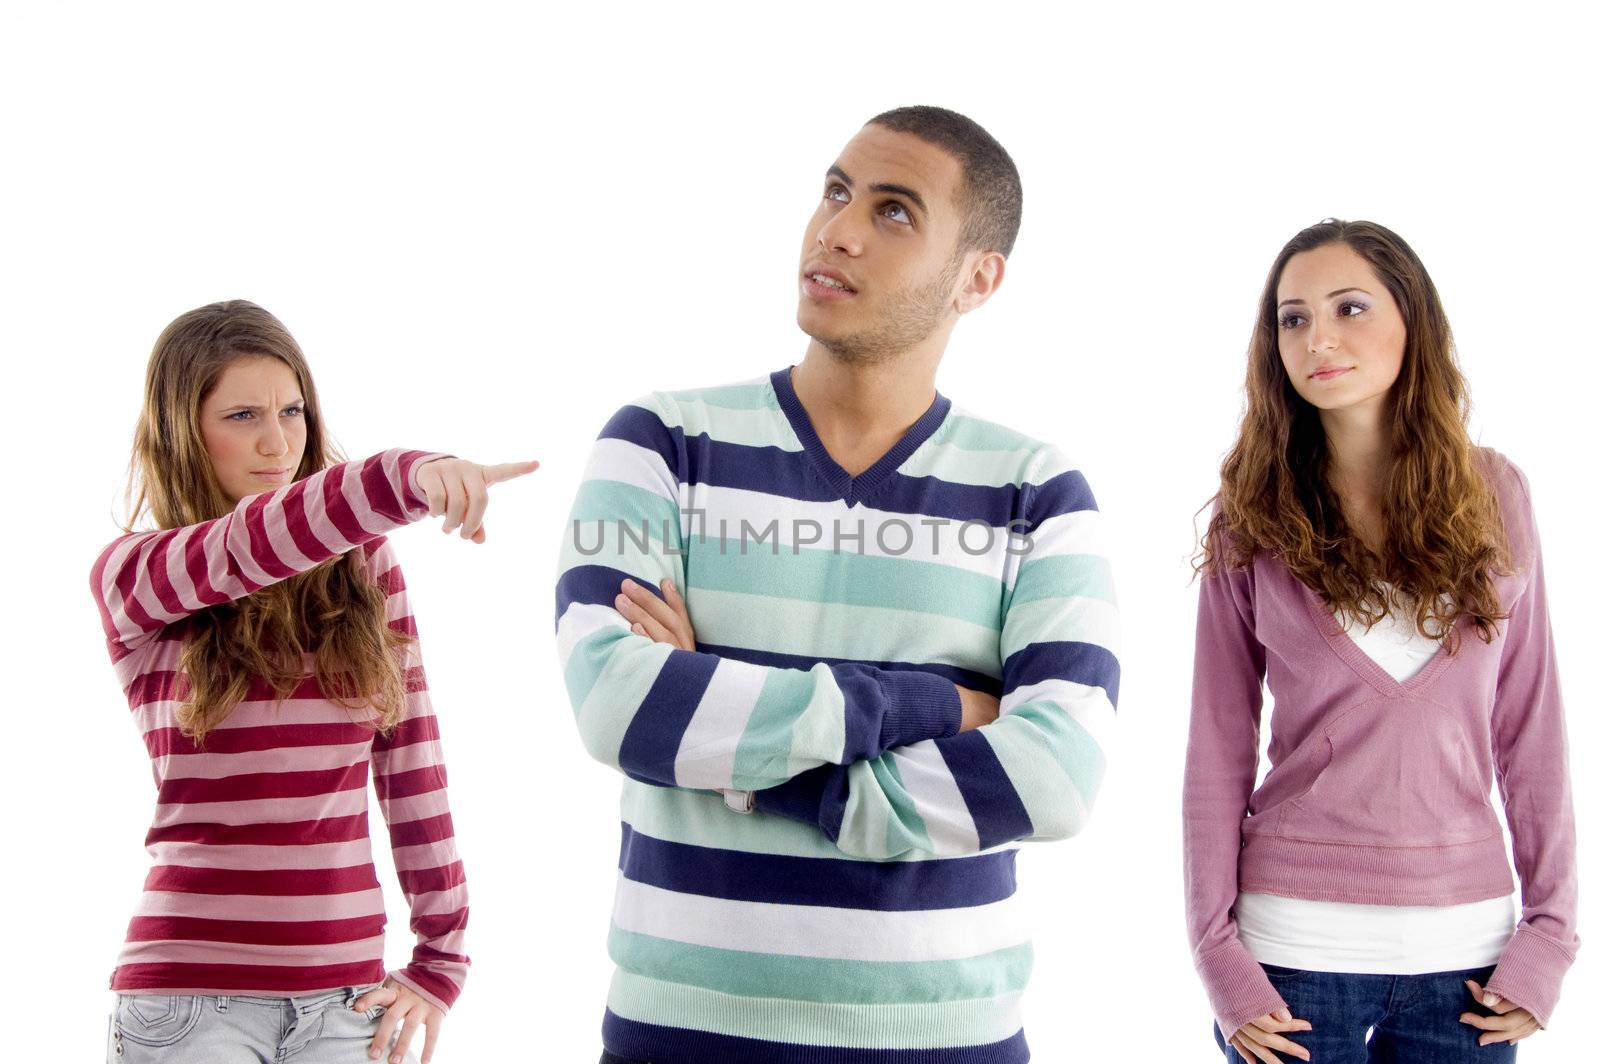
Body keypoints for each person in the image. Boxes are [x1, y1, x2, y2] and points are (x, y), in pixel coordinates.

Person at [554, 106, 1120, 1063]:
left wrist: (734, 753)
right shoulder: (660, 441)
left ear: (976, 278)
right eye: (836, 190)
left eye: (895, 212)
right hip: (681, 1030)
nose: (838, 230)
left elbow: (1058, 776)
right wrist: (934, 704)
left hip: (949, 1038)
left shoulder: (1039, 491)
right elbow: (619, 708)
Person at [91, 300, 537, 1064]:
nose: (278, 440)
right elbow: (253, 541)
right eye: (241, 415)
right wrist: (411, 477)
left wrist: (441, 957)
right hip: (190, 1005)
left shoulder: (366, 570)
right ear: (181, 432)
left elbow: (412, 766)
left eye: (292, 410)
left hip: (346, 1004)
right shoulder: (137, 575)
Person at [1183, 221, 1578, 1063]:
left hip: (1470, 969)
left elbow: (1530, 726)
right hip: (1290, 966)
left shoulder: (1496, 494)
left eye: (1349, 307)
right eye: (1292, 319)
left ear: (1413, 321)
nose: (1318, 339)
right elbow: (1217, 747)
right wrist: (1219, 957)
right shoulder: (1248, 518)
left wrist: (1551, 938)